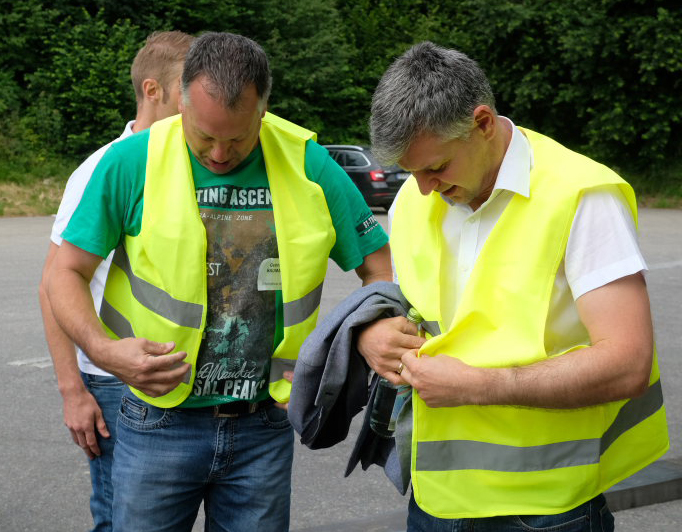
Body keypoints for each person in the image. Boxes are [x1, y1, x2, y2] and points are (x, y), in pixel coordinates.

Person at [48, 31, 392, 532]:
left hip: (264, 425)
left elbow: (379, 268)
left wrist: (357, 343)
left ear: (263, 110)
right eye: (204, 136)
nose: (219, 154)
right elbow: (65, 272)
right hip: (157, 421)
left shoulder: (308, 164)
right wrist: (103, 352)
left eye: (237, 139)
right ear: (180, 101)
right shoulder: (131, 161)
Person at [358, 41, 668, 531]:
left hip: (548, 507)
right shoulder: (413, 200)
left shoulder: (581, 195)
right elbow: (406, 310)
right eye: (410, 172)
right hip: (436, 500)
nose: (423, 188)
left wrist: (481, 386)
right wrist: (374, 335)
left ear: (482, 123)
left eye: (436, 167)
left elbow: (628, 364)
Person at [38, 30, 194, 532]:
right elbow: (53, 283)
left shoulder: (191, 164)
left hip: (173, 381)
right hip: (113, 385)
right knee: (118, 517)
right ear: (153, 90)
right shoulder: (102, 168)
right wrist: (73, 391)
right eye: (187, 89)